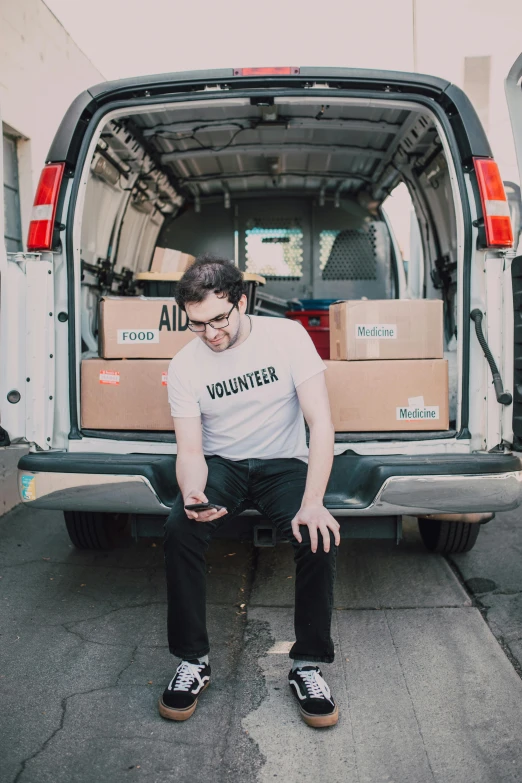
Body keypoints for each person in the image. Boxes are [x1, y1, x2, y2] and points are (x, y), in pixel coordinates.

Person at [160, 253, 340, 728]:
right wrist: (194, 494)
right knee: (180, 526)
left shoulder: (286, 336)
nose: (211, 333)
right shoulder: (184, 366)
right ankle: (192, 661)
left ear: (242, 302)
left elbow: (321, 422)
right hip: (223, 464)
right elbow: (190, 450)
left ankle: (307, 665)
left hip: (283, 463)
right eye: (198, 324)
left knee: (316, 536)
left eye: (219, 318)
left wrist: (314, 502)